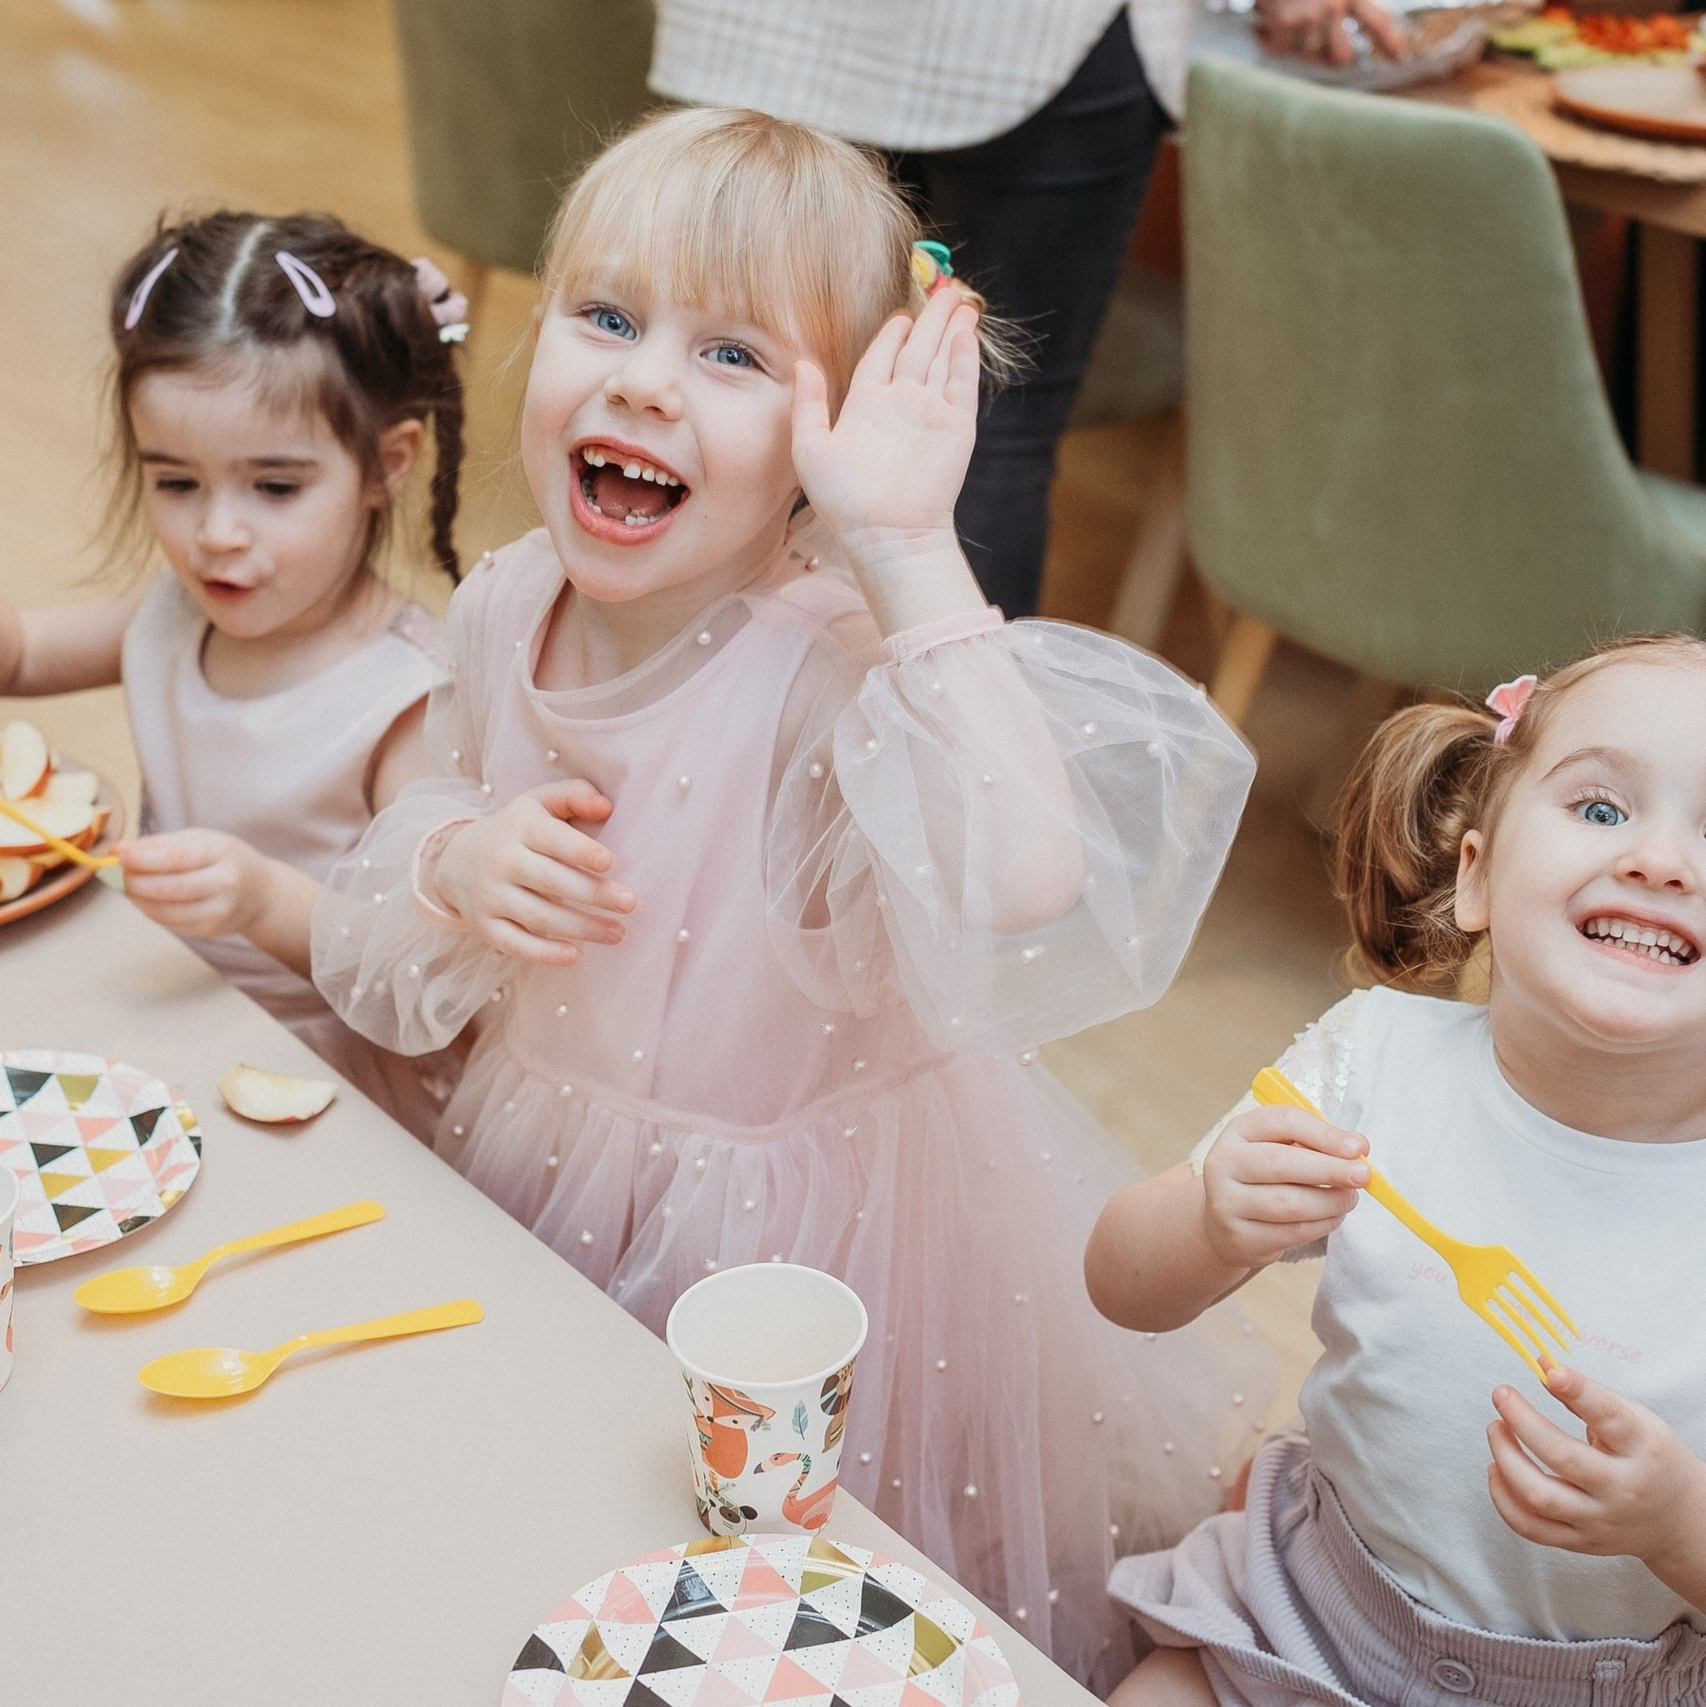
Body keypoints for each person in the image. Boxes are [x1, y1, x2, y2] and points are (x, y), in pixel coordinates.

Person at [313, 108, 1271, 1690]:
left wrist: (904, 548)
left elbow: (1024, 873)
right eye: (606, 318)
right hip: (548, 1155)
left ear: (830, 445)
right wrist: (455, 860)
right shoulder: (501, 605)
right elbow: (422, 829)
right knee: (561, 1511)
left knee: (778, 1611)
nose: (640, 380)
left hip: (812, 1259)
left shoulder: (826, 666)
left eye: (733, 355)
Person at [1089, 637, 1706, 1706]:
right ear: (1473, 875)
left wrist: (1676, 1526)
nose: (1657, 860)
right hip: (1306, 1614)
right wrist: (1208, 1222)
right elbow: (1118, 1286)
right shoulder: (1372, 1061)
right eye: (1600, 809)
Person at [646, 0, 1405, 619]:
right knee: (983, 427)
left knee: (741, 376)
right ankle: (939, 786)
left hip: (776, 29)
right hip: (1017, 40)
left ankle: (663, 737)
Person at [0, 211, 468, 1137]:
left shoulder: (402, 700)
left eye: (275, 487)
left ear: (387, 463)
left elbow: (427, 974)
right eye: (176, 483)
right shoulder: (177, 612)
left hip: (319, 1085)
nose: (217, 533)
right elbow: (21, 652)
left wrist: (264, 900)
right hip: (160, 1013)